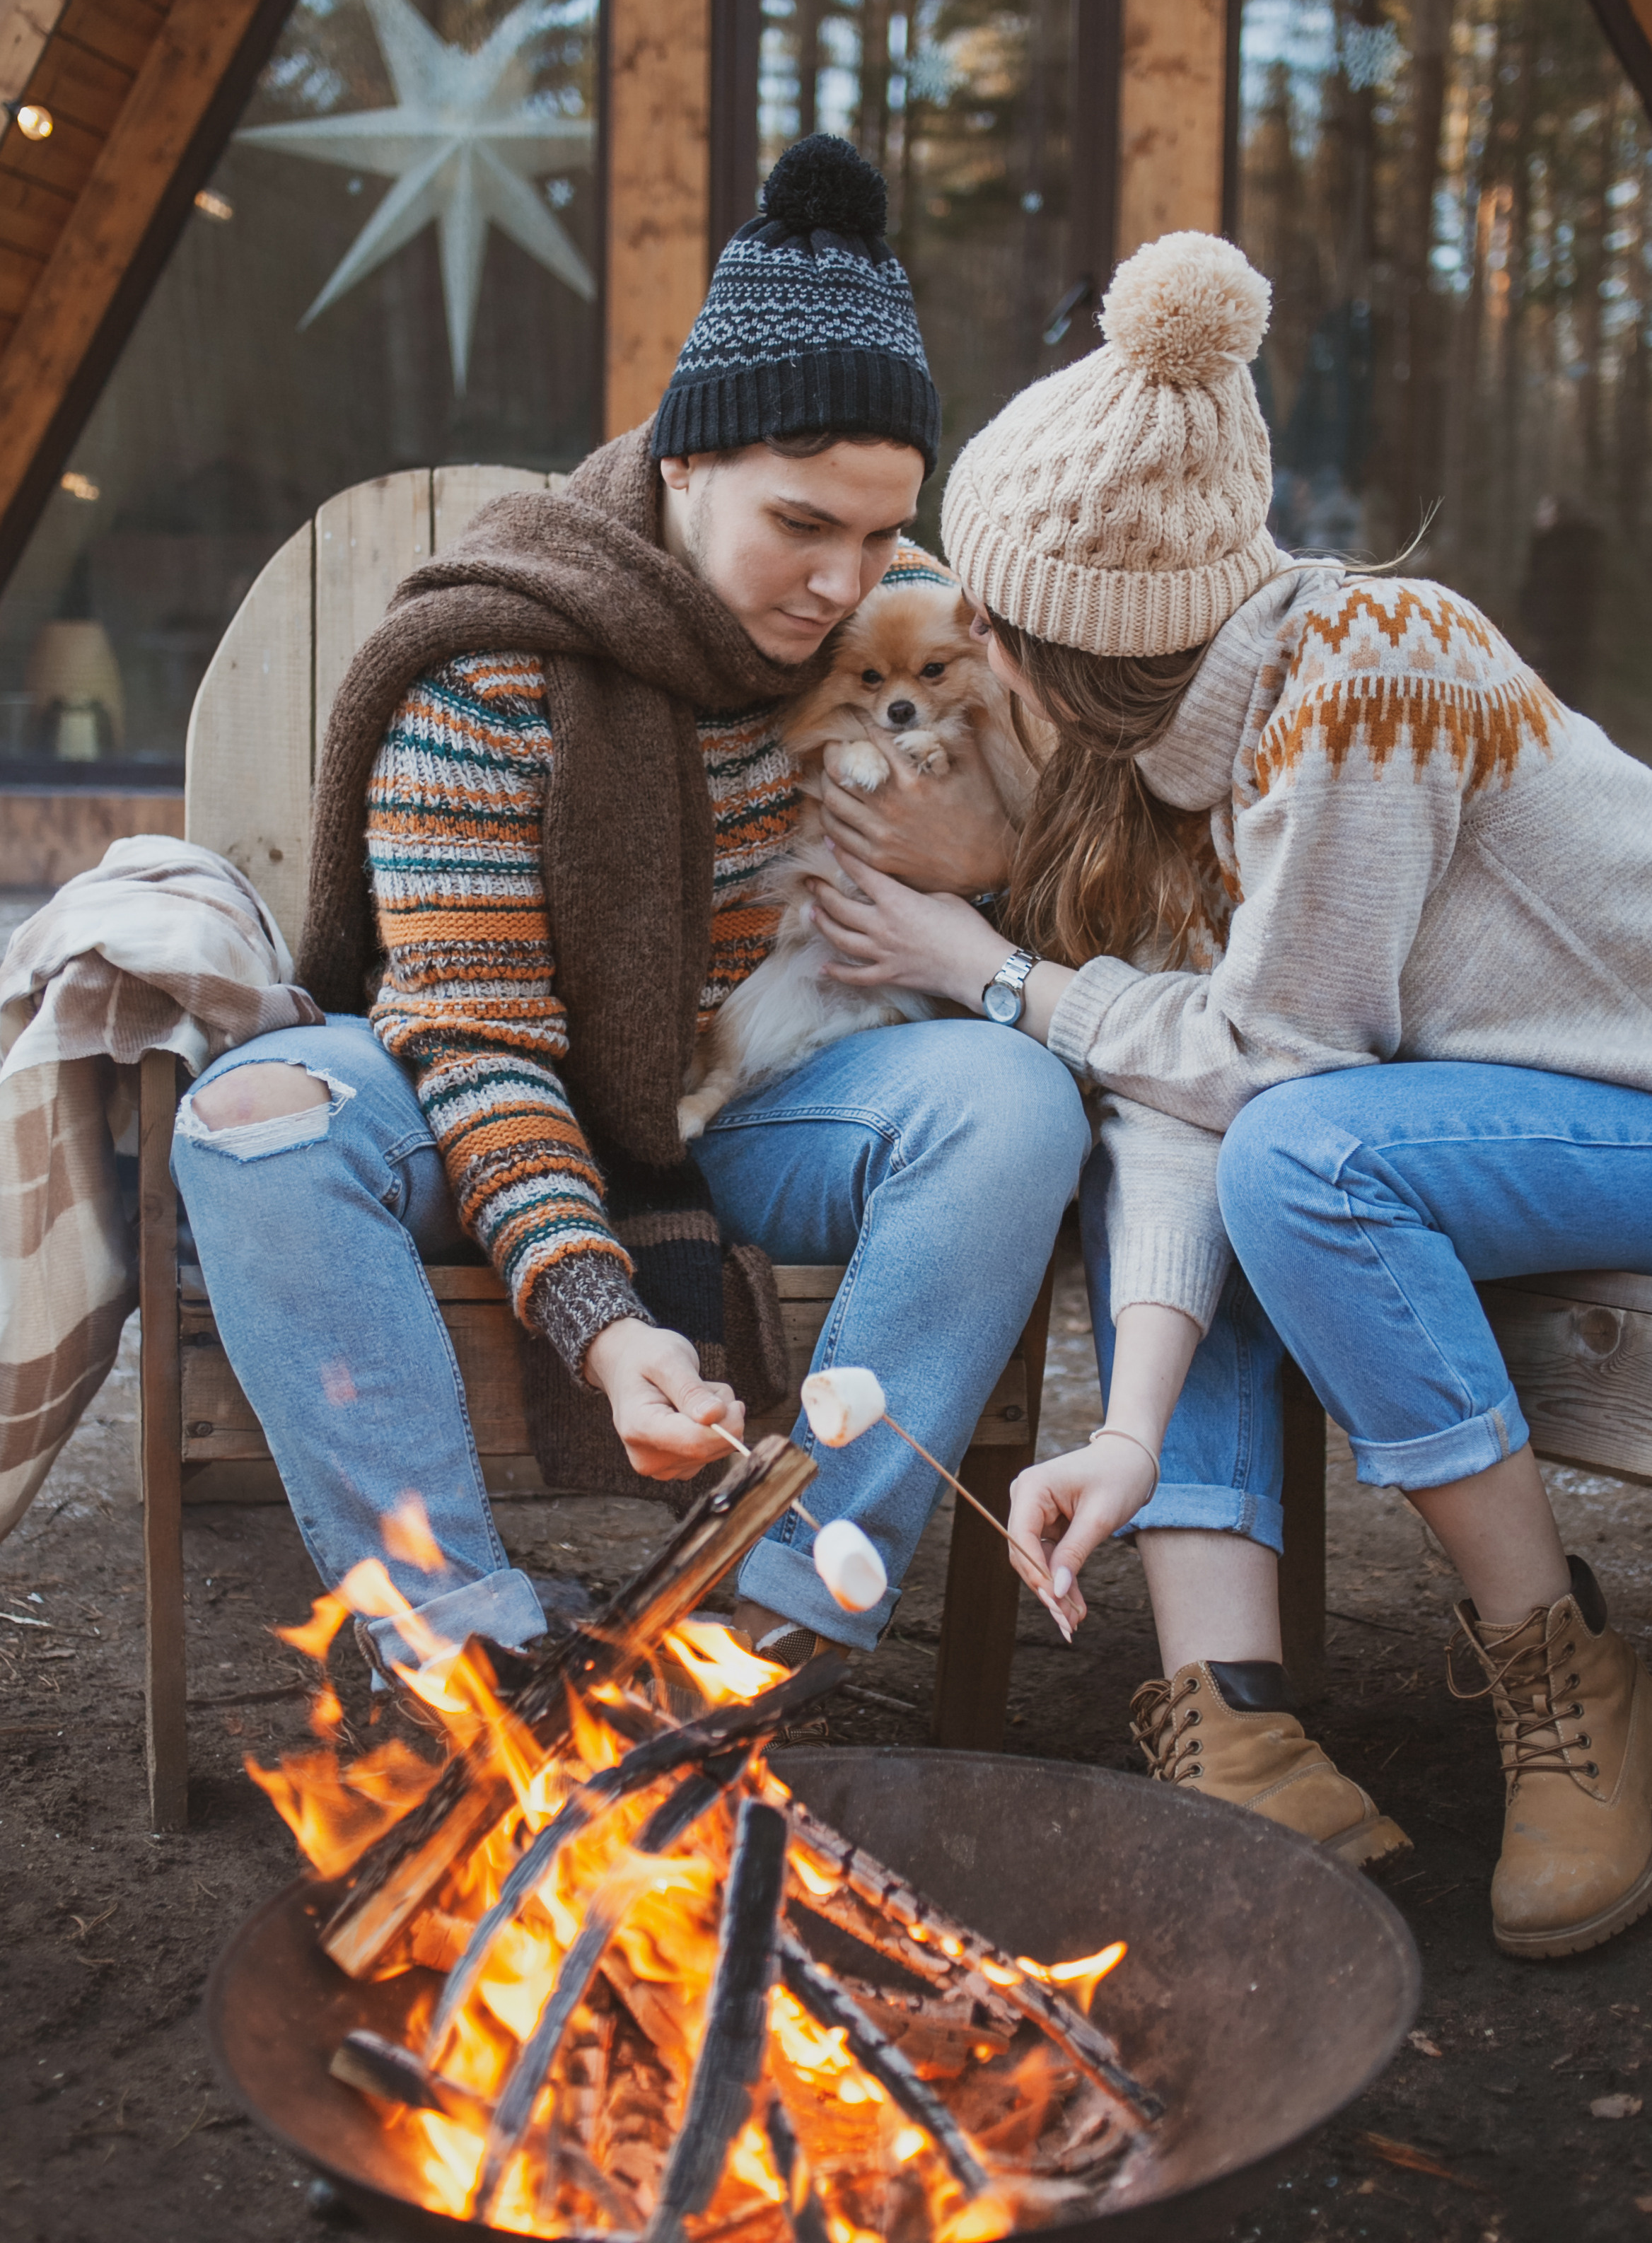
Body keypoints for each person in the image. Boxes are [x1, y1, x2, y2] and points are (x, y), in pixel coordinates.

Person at [805, 227, 1652, 1959]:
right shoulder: (1186, 753)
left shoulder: (1363, 675)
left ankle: (1558, 1666)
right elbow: (1181, 1090)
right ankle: (1237, 1715)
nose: (968, 655)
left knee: (1300, 1154)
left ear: (1057, 656)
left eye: (989, 627)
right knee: (1179, 1106)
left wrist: (995, 974)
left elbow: (1282, 1079)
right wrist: (1124, 1433)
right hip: (1506, 1119)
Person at [171, 133, 1088, 1686]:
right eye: (801, 524)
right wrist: (603, 1318)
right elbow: (471, 1038)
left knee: (1013, 1096)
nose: (842, 578)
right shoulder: (491, 664)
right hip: (485, 1086)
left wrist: (977, 873)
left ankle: (773, 1616)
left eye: (878, 532)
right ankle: (463, 1657)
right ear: (684, 461)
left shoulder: (901, 633)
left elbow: (1064, 869)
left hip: (758, 1088)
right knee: (252, 1113)